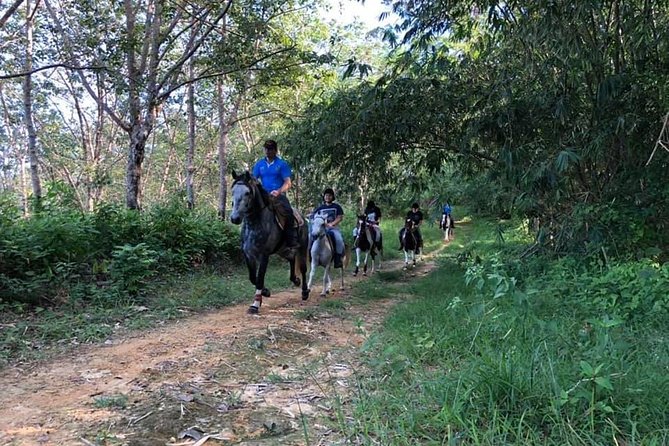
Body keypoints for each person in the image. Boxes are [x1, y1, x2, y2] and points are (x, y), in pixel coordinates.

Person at [252, 139, 299, 248]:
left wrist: (278, 191)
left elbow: (288, 183)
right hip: (263, 195)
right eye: (266, 149)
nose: (268, 151)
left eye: (271, 149)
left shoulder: (281, 164)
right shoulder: (259, 164)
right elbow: (253, 180)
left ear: (275, 150)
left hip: (278, 195)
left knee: (288, 211)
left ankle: (291, 240)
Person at [313, 188, 345, 268]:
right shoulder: (320, 208)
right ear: (324, 197)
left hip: (333, 229)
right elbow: (314, 216)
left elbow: (339, 217)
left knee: (339, 239)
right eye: (326, 195)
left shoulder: (337, 207)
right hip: (322, 229)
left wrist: (332, 224)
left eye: (330, 195)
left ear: (332, 197)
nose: (328, 197)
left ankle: (338, 259)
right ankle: (311, 256)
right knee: (311, 236)